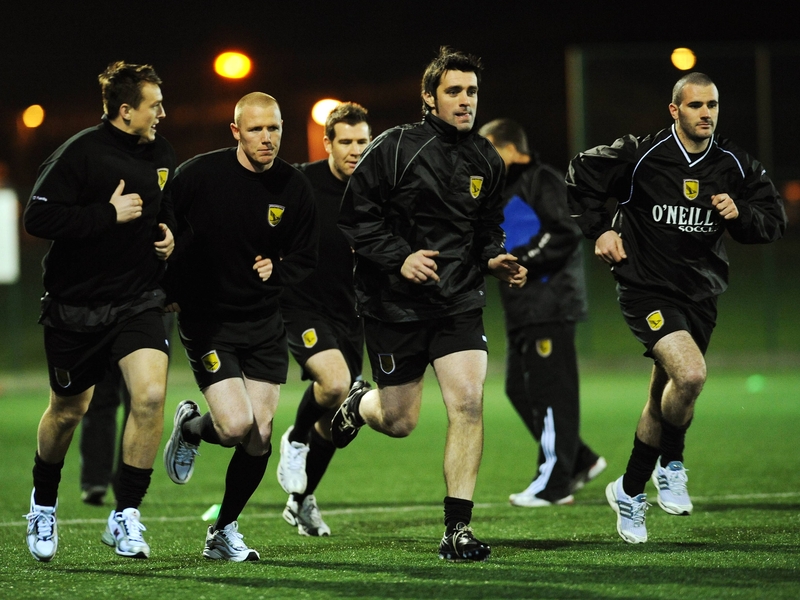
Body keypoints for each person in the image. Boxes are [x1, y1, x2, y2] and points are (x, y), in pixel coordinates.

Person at [566, 72, 787, 544]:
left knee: (663, 396)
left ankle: (629, 490)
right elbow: (580, 173)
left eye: (712, 105)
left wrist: (741, 214)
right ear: (674, 110)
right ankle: (672, 461)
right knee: (690, 375)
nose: (706, 113)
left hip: (700, 295)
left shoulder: (734, 164)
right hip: (646, 288)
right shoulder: (640, 155)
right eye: (695, 105)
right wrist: (601, 230)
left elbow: (774, 220)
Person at [333, 46, 527, 562]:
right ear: (429, 97)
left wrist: (495, 258)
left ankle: (457, 529)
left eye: (472, 92)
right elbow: (356, 219)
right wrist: (399, 257)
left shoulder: (487, 158)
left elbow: (487, 228)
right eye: (454, 91)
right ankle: (361, 403)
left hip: (458, 301)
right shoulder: (393, 148)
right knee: (400, 421)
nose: (465, 101)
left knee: (468, 402)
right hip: (394, 305)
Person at [22, 61, 176, 561]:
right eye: (154, 106)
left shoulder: (161, 152)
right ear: (125, 110)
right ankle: (43, 504)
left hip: (138, 300)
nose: (162, 114)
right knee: (69, 411)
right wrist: (107, 214)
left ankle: (126, 514)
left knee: (150, 396)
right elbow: (38, 216)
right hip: (77, 305)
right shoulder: (80, 152)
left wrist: (170, 237)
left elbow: (166, 212)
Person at [162, 92, 318, 562]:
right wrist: (167, 286)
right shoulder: (198, 176)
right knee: (234, 426)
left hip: (264, 323)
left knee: (260, 435)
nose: (267, 138)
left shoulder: (293, 187)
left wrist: (280, 269)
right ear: (236, 131)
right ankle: (192, 428)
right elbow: (161, 231)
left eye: (274, 128)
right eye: (256, 129)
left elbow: (306, 257)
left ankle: (223, 531)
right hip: (208, 320)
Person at [478, 118, 606, 508]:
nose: (482, 158)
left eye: (488, 149)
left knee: (551, 393)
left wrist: (524, 261)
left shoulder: (542, 179)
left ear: (508, 148)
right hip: (523, 308)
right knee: (518, 389)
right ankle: (579, 459)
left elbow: (564, 231)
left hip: (550, 304)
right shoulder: (502, 190)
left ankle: (554, 484)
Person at [276, 102, 371, 536]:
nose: (355, 150)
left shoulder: (376, 188)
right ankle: (295, 439)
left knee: (333, 423)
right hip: (303, 306)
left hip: (351, 313)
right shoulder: (302, 181)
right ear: (327, 143)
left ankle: (302, 501)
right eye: (346, 141)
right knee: (334, 384)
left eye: (362, 141)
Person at [79, 313, 174, 506]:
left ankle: (119, 485)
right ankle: (100, 481)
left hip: (147, 309)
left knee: (143, 402)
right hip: (107, 308)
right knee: (101, 395)